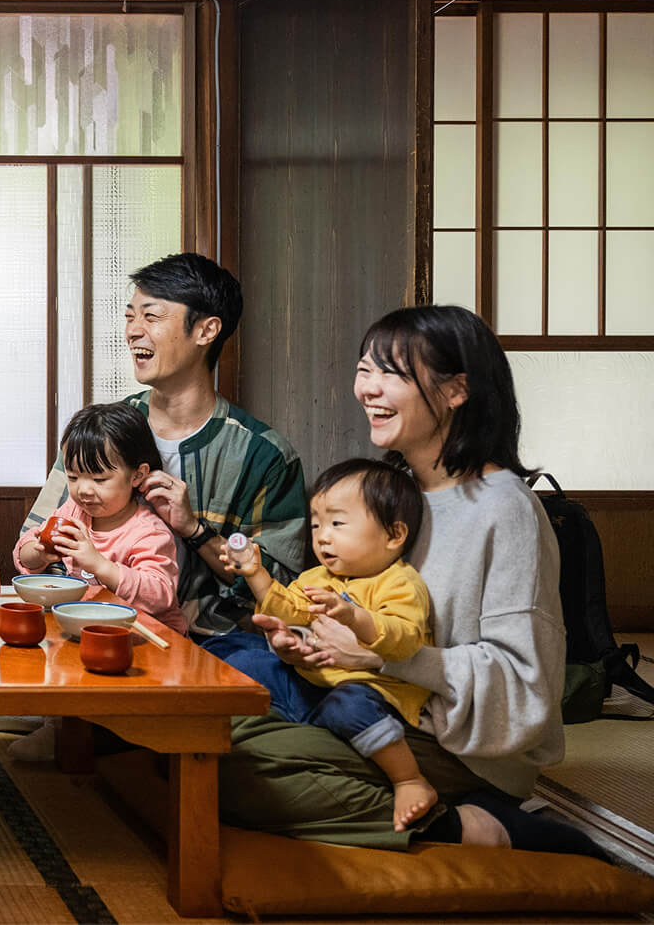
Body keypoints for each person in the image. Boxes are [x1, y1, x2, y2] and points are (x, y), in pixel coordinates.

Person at [221, 305, 596, 856]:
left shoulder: (505, 510)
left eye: (390, 374)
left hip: (450, 743)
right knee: (202, 723)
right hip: (363, 704)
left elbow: (525, 683)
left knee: (229, 767)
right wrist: (305, 644)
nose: (366, 389)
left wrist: (381, 657)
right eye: (363, 369)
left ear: (455, 391)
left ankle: (474, 826)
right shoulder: (391, 494)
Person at [23, 252, 310, 638]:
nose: (133, 331)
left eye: (151, 316)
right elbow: (39, 541)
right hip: (93, 625)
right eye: (130, 316)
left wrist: (195, 530)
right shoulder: (99, 433)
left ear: (206, 331)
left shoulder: (263, 455)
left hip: (219, 641)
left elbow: (279, 593)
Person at [208, 458, 437, 830]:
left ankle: (408, 779)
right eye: (316, 525)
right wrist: (256, 574)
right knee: (236, 651)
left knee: (350, 706)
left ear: (394, 535)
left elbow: (405, 638)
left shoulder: (400, 583)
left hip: (367, 693)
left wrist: (354, 617)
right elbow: (291, 607)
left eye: (337, 523)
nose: (322, 536)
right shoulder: (320, 575)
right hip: (310, 684)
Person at [12, 402, 187, 635]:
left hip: (150, 636)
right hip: (91, 629)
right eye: (73, 477)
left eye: (99, 479)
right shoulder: (73, 510)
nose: (83, 490)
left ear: (137, 475)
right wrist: (39, 553)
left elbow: (160, 595)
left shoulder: (148, 531)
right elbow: (23, 552)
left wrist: (99, 565)